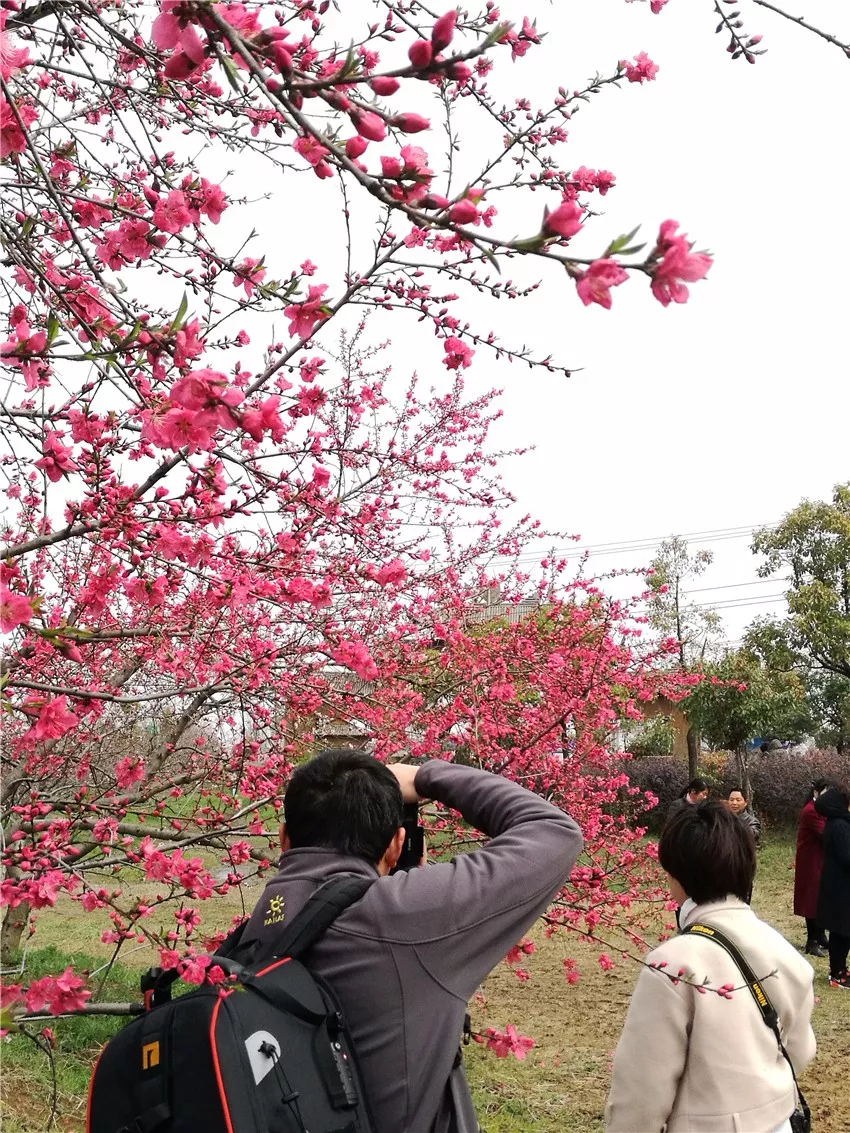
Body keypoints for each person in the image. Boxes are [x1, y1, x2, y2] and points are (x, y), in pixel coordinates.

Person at [238, 748, 584, 1132]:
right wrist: (424, 777)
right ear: (396, 845)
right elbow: (554, 832)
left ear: (283, 838)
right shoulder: (402, 916)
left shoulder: (255, 927)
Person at [606, 802, 816, 1133]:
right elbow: (799, 1051)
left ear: (676, 874)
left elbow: (641, 1091)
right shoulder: (783, 949)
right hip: (777, 1122)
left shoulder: (672, 965)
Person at [814, 785, 850, 990]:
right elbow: (847, 856)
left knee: (842, 929)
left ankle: (841, 969)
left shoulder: (837, 823)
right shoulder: (840, 826)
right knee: (841, 930)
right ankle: (837, 972)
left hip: (838, 884)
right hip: (840, 887)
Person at [794, 777, 831, 957]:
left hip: (821, 860)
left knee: (822, 898)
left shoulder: (822, 809)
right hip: (811, 861)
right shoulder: (811, 810)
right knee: (812, 900)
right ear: (817, 792)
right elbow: (825, 834)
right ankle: (812, 941)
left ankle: (821, 935)